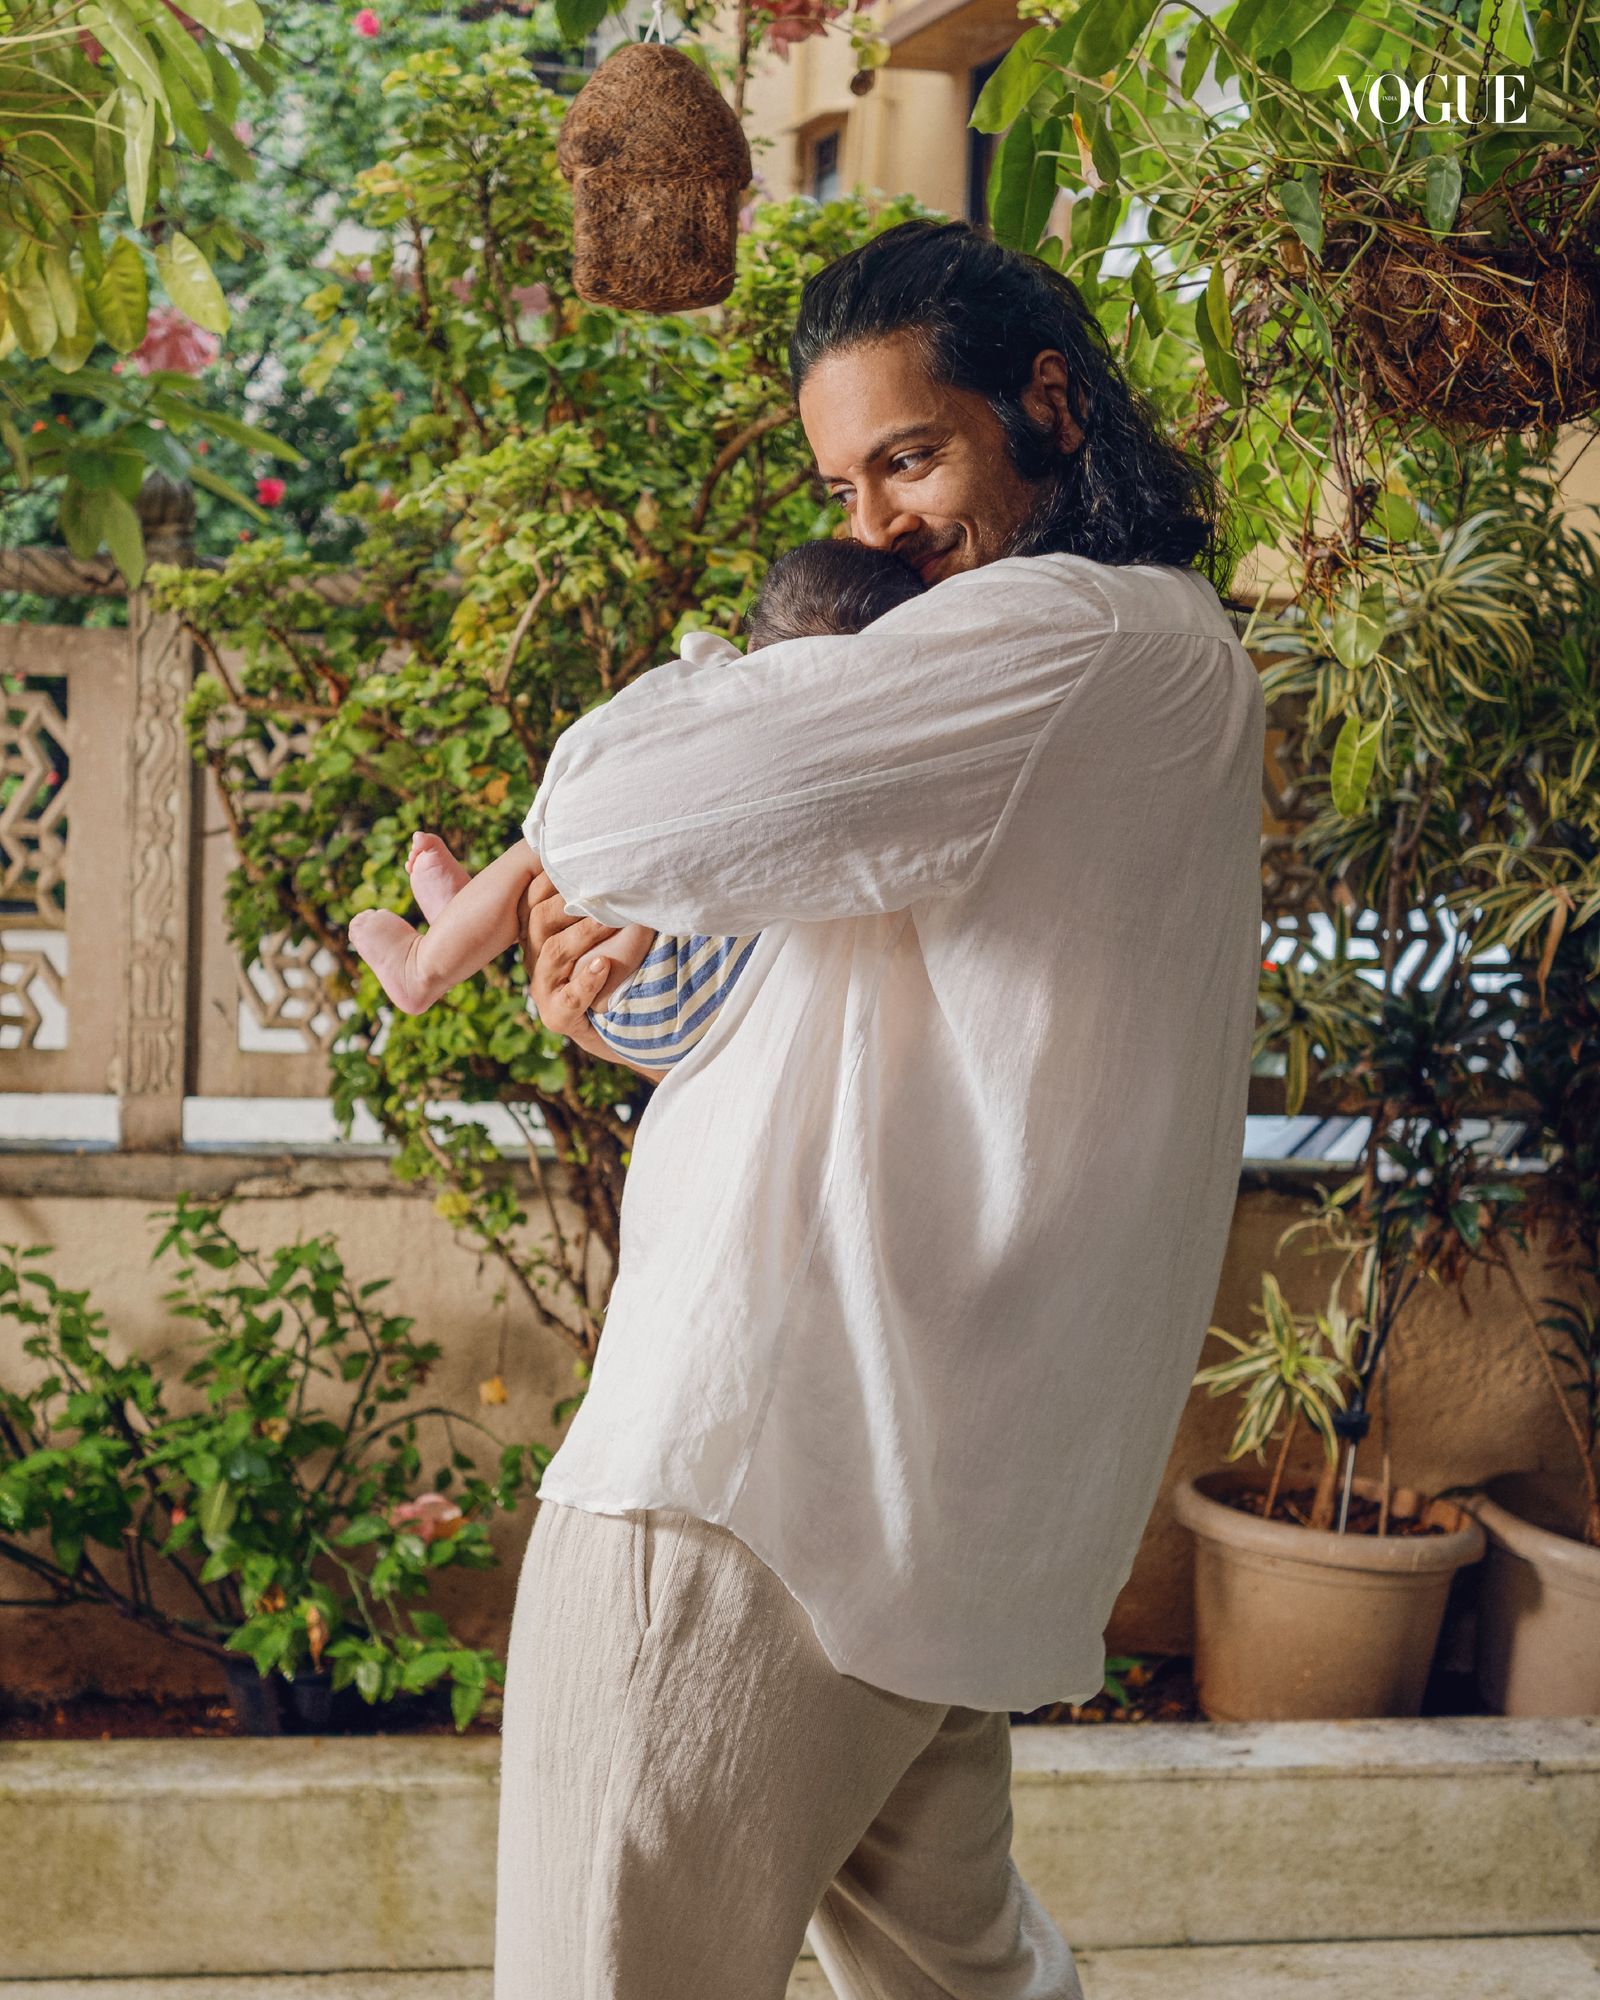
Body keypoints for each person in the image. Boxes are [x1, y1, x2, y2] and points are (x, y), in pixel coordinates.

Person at [496, 218, 1266, 2000]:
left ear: (1049, 406)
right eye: (844, 484)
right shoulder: (1170, 654)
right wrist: (623, 992)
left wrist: (705, 693)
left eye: (910, 457)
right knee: (971, 1981)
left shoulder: (1053, 631)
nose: (876, 528)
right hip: (922, 1505)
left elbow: (613, 818)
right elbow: (893, 1009)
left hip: (750, 1472)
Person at [345, 539, 923, 1053]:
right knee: (634, 861)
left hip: (639, 993)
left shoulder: (741, 711)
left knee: (555, 847)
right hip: (682, 1007)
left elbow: (608, 760)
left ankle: (427, 965)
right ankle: (471, 925)